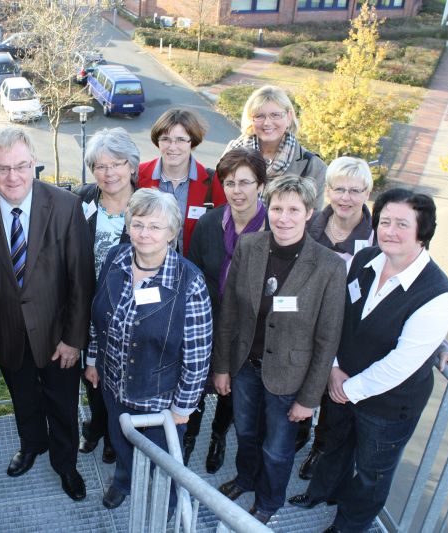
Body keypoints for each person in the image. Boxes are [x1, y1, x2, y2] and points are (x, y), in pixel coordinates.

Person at [289, 189, 448, 533]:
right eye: (384, 222)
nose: (390, 231)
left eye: (402, 224)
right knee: (333, 446)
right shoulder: (363, 260)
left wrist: (349, 388)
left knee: (371, 473)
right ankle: (322, 493)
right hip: (341, 383)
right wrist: (333, 367)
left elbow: (401, 363)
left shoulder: (437, 295)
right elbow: (335, 316)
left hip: (387, 406)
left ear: (422, 232)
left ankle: (348, 526)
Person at [0, 127, 94, 502]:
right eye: (1, 169)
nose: (12, 177)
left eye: (20, 166)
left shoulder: (66, 206)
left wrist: (73, 339)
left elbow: (81, 280)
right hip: (6, 333)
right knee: (23, 399)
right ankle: (32, 445)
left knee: (63, 406)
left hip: (57, 336)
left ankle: (65, 465)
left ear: (34, 163)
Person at [212, 174, 346, 524]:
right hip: (244, 366)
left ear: (309, 213)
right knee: (245, 432)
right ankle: (245, 478)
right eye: (276, 208)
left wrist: (310, 398)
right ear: (266, 209)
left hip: (291, 377)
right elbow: (230, 312)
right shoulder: (249, 246)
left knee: (277, 449)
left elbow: (327, 337)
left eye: (293, 209)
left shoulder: (330, 265)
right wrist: (223, 366)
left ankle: (269, 501)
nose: (283, 217)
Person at [86, 188, 213, 510]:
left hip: (159, 399)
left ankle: (170, 504)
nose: (145, 233)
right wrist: (92, 360)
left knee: (166, 460)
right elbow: (97, 314)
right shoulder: (116, 258)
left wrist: (182, 408)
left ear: (172, 233)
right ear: (128, 225)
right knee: (121, 441)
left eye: (156, 227)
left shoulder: (190, 282)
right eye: (138, 223)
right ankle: (124, 481)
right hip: (114, 386)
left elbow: (197, 357)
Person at [186, 147, 268, 474]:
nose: (237, 191)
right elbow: (193, 275)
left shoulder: (274, 231)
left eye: (245, 183)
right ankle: (189, 432)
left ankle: (218, 436)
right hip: (208, 324)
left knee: (230, 391)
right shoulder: (208, 224)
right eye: (230, 183)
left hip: (249, 333)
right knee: (193, 384)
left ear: (261, 185)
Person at [297, 156, 374, 479]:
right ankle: (296, 436)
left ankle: (320, 448)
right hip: (303, 322)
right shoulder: (308, 225)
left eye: (355, 191)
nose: (346, 198)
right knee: (298, 384)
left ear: (367, 193)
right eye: (339, 189)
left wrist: (440, 345)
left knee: (334, 397)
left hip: (347, 332)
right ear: (326, 190)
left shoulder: (377, 239)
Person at [74, 127, 140, 464]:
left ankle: (116, 436)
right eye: (100, 166)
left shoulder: (149, 204)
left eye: (116, 163)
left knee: (121, 379)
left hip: (131, 314)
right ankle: (96, 427)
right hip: (89, 310)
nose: (108, 173)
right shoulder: (82, 200)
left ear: (131, 166)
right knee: (92, 374)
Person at [137, 108, 226, 256]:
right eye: (165, 139)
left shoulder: (212, 182)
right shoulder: (138, 176)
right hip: (147, 267)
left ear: (193, 142)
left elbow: (222, 232)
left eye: (181, 140)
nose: (172, 147)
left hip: (194, 270)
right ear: (157, 141)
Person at [222, 85, 327, 210]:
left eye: (275, 115)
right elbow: (219, 201)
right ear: (251, 119)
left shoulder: (313, 166)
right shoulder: (232, 152)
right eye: (259, 116)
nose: (267, 123)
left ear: (289, 117)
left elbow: (312, 220)